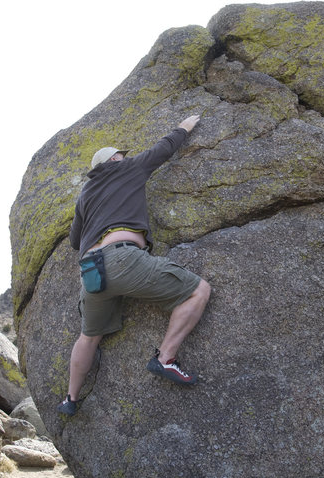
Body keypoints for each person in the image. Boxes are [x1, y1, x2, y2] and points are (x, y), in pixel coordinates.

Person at [57, 115, 211, 416]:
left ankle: (70, 400)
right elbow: (163, 150)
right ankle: (165, 358)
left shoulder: (85, 194)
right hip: (123, 258)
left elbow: (75, 241)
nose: (124, 157)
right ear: (115, 159)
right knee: (199, 291)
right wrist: (185, 126)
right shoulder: (127, 167)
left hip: (90, 270)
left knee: (89, 336)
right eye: (121, 155)